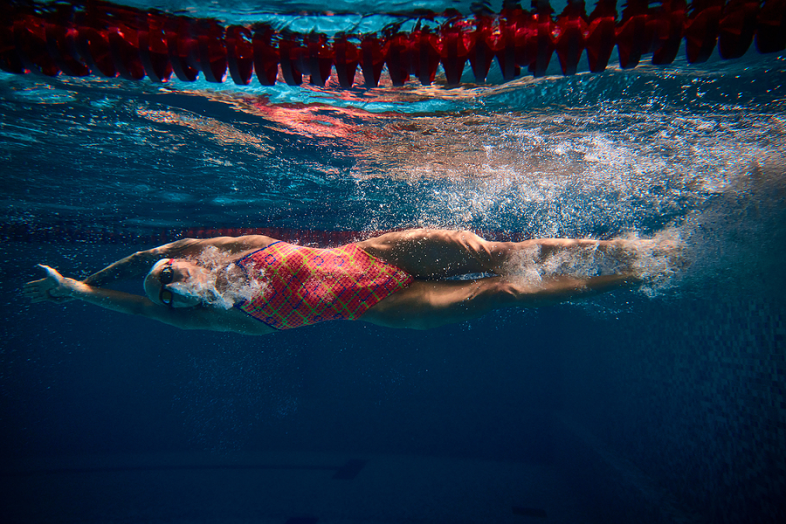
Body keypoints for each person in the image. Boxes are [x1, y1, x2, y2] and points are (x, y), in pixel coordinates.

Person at [23, 228, 659, 334]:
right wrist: (76, 290)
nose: (172, 282)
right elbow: (142, 310)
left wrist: (109, 267)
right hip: (391, 305)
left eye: (169, 273)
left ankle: (630, 247)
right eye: (166, 289)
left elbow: (164, 249)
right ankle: (635, 274)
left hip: (377, 252)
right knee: (504, 289)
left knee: (499, 252)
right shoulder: (217, 315)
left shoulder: (232, 249)